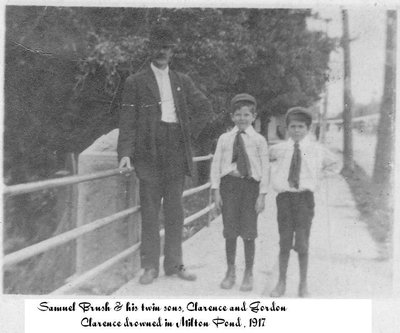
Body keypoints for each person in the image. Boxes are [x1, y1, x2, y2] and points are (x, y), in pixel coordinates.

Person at [117, 25, 213, 285]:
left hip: (175, 150)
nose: (162, 52)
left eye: (167, 47)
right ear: (150, 50)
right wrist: (125, 154)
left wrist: (187, 136)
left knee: (175, 211)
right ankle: (149, 267)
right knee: (149, 211)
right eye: (158, 47)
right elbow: (127, 121)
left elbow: (204, 108)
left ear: (172, 52)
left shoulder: (182, 81)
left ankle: (175, 265)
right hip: (148, 152)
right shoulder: (134, 82)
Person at [269, 106, 338, 297]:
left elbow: (335, 164)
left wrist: (318, 178)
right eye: (293, 126)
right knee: (284, 242)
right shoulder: (279, 149)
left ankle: (303, 284)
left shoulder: (316, 150)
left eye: (301, 127)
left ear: (308, 129)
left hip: (304, 200)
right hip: (284, 199)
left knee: (302, 243)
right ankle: (281, 283)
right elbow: (263, 159)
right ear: (287, 128)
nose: (296, 130)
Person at [210, 93, 269, 292]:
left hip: (250, 187)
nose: (242, 118)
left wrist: (262, 195)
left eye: (246, 114)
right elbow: (216, 164)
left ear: (254, 116)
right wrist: (216, 192)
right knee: (230, 231)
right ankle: (230, 271)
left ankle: (248, 272)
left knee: (249, 232)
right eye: (238, 114)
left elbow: (265, 169)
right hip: (229, 186)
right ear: (232, 116)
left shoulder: (259, 140)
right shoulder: (225, 138)